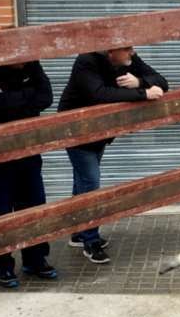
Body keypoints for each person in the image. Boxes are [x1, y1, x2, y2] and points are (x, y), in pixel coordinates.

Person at [58, 46, 168, 263]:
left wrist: (139, 81)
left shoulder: (127, 59)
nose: (132, 52)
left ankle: (79, 233)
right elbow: (100, 94)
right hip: (77, 131)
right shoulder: (86, 61)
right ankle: (91, 241)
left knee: (83, 182)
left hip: (99, 132)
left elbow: (162, 81)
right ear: (111, 51)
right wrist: (144, 93)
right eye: (127, 48)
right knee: (90, 183)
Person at [0, 57, 56, 288]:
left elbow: (46, 96)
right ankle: (2, 265)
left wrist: (13, 98)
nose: (25, 61)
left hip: (28, 146)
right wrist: (27, 95)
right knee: (0, 211)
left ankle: (35, 259)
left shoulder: (31, 62)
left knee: (34, 203)